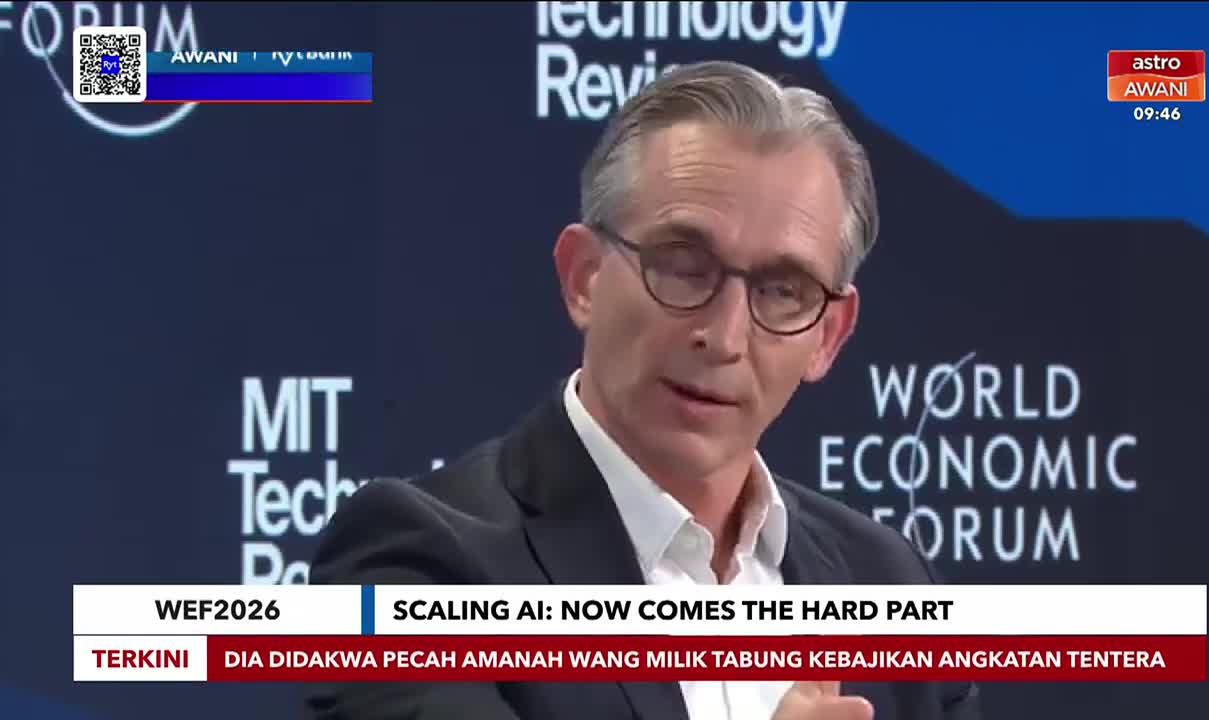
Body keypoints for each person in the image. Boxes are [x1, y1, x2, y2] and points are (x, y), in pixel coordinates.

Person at [306, 60, 981, 720]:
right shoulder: (420, 561)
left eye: (781, 291)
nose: (723, 337)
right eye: (683, 267)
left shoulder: (889, 584)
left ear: (828, 336)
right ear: (584, 277)